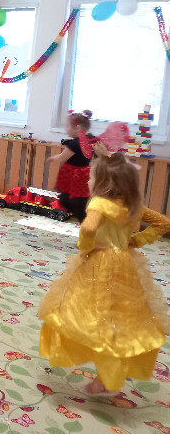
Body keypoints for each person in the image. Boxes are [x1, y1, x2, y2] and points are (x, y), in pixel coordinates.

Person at [39, 143, 170, 395]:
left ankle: (98, 367)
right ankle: (105, 377)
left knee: (82, 313)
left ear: (103, 183)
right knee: (118, 317)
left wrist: (86, 248)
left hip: (98, 264)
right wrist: (136, 241)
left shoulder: (99, 203)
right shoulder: (133, 206)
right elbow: (164, 223)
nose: (88, 181)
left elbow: (88, 228)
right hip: (125, 264)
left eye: (91, 178)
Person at [48, 110, 94, 220]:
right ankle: (83, 217)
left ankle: (86, 220)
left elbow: (62, 158)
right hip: (83, 174)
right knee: (75, 200)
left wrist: (52, 158)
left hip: (75, 176)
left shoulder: (75, 143)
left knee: (71, 202)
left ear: (78, 128)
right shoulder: (89, 140)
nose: (66, 129)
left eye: (68, 126)